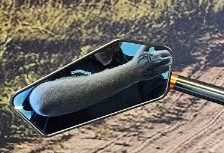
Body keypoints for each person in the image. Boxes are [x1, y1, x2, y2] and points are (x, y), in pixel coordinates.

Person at [26, 43, 172, 118]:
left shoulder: (145, 69)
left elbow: (170, 106)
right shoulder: (61, 60)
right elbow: (42, 102)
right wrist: (132, 72)